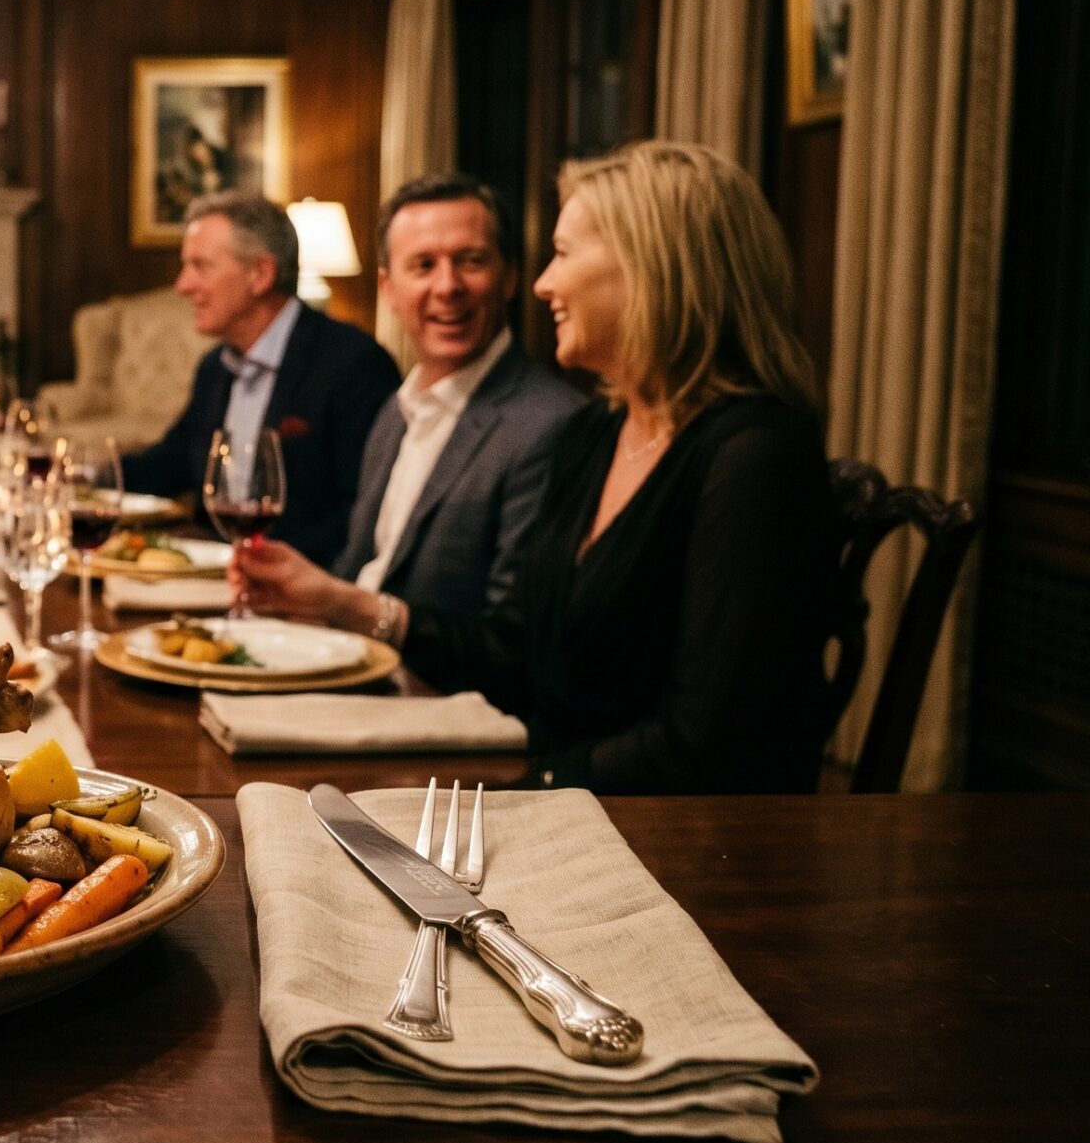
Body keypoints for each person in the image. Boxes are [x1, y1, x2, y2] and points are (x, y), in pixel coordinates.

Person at [236, 142, 835, 793]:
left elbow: (706, 747)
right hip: (559, 790)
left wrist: (521, 792)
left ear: (652, 269)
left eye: (565, 253)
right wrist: (340, 603)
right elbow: (511, 652)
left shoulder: (755, 457)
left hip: (647, 829)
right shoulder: (598, 433)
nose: (545, 283)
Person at [337, 174, 585, 619]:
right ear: (388, 289)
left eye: (471, 261)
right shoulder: (395, 410)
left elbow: (510, 631)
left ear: (509, 278)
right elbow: (359, 570)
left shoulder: (551, 423)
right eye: (423, 265)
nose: (448, 286)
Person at [122, 191, 401, 570]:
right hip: (211, 578)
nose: (182, 285)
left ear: (261, 274)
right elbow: (171, 463)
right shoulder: (215, 368)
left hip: (301, 586)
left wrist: (260, 567)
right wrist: (79, 474)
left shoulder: (354, 364)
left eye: (200, 266)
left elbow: (363, 515)